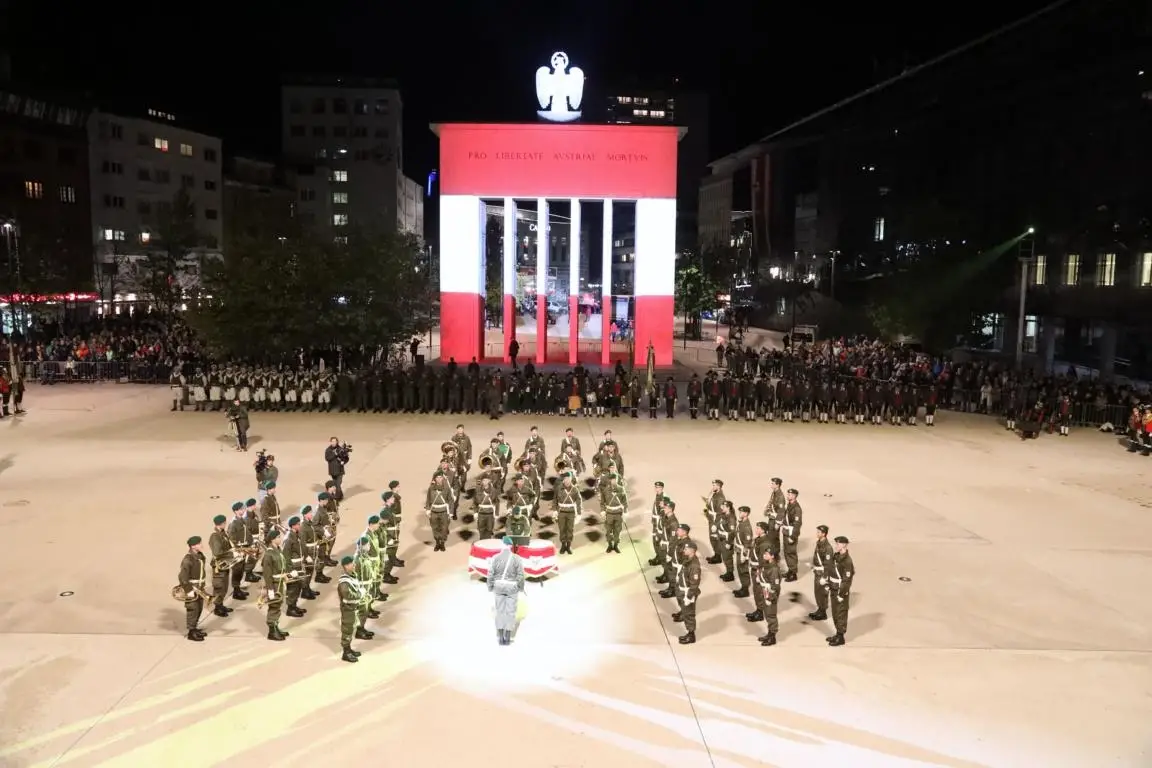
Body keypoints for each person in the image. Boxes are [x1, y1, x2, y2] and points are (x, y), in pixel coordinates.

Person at [487, 536, 525, 645]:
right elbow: (520, 575)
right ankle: (507, 636)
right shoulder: (516, 558)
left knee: (500, 611)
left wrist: (490, 586)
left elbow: (490, 574)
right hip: (512, 587)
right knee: (510, 611)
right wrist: (521, 587)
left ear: (502, 545)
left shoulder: (495, 558)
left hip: (498, 586)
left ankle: (500, 636)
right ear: (510, 546)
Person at [261, 528, 290, 641]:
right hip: (274, 583)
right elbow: (267, 574)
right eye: (278, 537)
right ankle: (272, 632)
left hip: (280, 582)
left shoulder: (277, 550)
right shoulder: (269, 554)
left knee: (278, 606)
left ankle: (276, 627)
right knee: (274, 607)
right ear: (272, 540)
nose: (280, 538)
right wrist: (270, 589)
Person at [337, 555, 368, 662]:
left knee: (351, 628)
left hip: (353, 607)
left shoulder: (352, 576)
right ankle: (346, 652)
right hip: (348, 609)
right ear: (346, 566)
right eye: (351, 563)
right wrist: (360, 594)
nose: (354, 565)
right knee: (347, 630)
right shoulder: (344, 581)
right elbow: (348, 595)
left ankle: (349, 649)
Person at [178, 535, 208, 641]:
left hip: (199, 588)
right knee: (192, 609)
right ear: (193, 546)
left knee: (199, 608)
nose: (201, 545)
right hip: (192, 588)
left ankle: (194, 628)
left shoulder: (199, 556)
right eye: (199, 544)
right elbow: (182, 577)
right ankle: (191, 632)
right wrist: (188, 590)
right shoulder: (188, 559)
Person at [827, 535, 855, 646]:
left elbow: (847, 579)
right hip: (834, 588)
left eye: (838, 544)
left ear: (844, 545)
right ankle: (837, 633)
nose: (836, 546)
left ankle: (841, 636)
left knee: (841, 613)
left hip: (840, 591)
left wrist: (842, 593)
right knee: (835, 612)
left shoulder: (847, 561)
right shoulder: (837, 556)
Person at [207, 514, 236, 618]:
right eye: (224, 523)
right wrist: (231, 553)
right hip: (219, 566)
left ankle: (221, 605)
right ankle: (217, 608)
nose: (225, 524)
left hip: (225, 564)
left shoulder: (223, 534)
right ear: (221, 524)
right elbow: (217, 552)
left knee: (224, 587)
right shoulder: (215, 536)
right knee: (219, 588)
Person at [676, 540, 702, 644]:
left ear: (692, 551)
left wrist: (689, 596)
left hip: (689, 593)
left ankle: (691, 635)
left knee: (689, 614)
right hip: (683, 591)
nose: (684, 550)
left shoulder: (694, 565)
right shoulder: (688, 560)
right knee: (686, 613)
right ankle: (689, 632)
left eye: (686, 549)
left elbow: (694, 583)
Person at [757, 548, 783, 646]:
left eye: (767, 554)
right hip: (764, 592)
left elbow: (775, 586)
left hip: (770, 594)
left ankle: (772, 637)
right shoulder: (767, 565)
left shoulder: (774, 569)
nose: (764, 555)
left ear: (772, 556)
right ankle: (769, 634)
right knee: (767, 615)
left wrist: (770, 598)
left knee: (771, 615)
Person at [552, 471, 582, 554]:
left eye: (569, 478)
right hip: (561, 511)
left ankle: (568, 546)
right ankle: (563, 545)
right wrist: (554, 510)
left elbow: (579, 501)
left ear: (571, 479)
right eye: (565, 479)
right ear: (563, 479)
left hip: (571, 512)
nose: (567, 480)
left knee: (570, 529)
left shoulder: (575, 489)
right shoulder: (559, 488)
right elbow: (555, 500)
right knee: (562, 529)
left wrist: (579, 513)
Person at [808, 525, 833, 622]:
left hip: (822, 573)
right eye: (817, 532)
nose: (817, 533)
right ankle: (820, 609)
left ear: (824, 534)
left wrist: (825, 577)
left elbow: (828, 564)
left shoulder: (827, 548)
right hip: (817, 571)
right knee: (817, 592)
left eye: (819, 532)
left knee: (822, 593)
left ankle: (823, 612)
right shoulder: (819, 543)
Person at [425, 471, 454, 551]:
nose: (439, 479)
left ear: (443, 478)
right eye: (437, 477)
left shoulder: (446, 488)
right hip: (434, 511)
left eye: (440, 477)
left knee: (444, 528)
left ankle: (442, 543)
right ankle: (437, 542)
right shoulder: (431, 488)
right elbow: (428, 500)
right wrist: (427, 509)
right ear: (435, 479)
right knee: (435, 527)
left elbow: (450, 500)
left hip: (444, 511)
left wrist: (451, 512)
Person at [601, 473, 628, 554]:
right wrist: (602, 510)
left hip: (618, 513)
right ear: (610, 480)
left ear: (616, 479)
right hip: (609, 513)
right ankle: (609, 545)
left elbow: (625, 502)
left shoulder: (621, 489)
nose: (613, 481)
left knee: (617, 530)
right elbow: (602, 502)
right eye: (612, 479)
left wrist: (625, 512)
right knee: (608, 531)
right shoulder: (606, 490)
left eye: (614, 479)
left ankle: (616, 545)